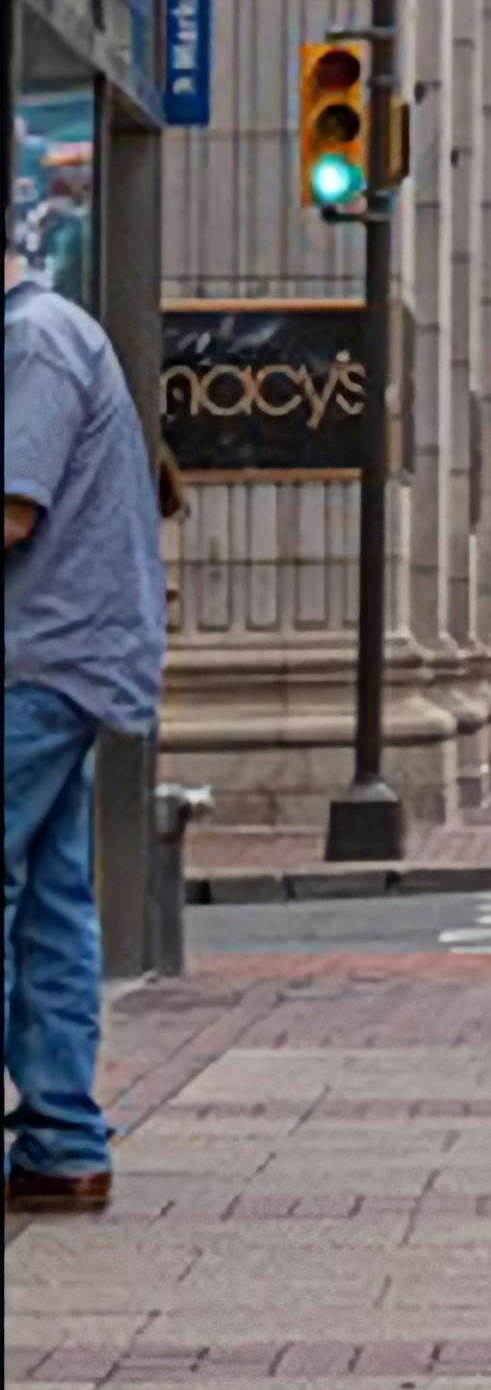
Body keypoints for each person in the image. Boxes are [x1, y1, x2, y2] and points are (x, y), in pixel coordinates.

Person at [4, 252, 171, 1214]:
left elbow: (12, 512)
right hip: (56, 664)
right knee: (48, 903)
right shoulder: (50, 335)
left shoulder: (33, 342)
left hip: (34, 662)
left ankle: (62, 1139)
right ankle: (62, 1143)